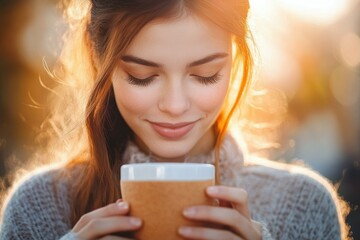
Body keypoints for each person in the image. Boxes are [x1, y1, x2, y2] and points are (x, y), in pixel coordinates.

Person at [0, 0, 349, 239]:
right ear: (98, 57)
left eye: (206, 74)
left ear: (235, 61)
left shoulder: (304, 206)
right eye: (141, 76)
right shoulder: (38, 207)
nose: (175, 105)